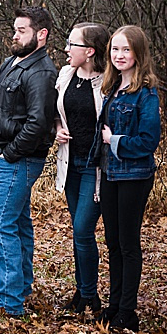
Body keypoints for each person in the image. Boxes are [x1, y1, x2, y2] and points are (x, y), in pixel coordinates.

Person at [0, 6, 58, 317]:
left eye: (22, 30)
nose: (14, 35)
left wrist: (7, 155)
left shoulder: (41, 72)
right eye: (14, 29)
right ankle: (21, 287)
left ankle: (8, 302)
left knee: (1, 225)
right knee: (19, 223)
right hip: (6, 157)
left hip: (18, 159)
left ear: (42, 35)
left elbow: (38, 123)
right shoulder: (12, 62)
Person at [88, 25, 161, 332]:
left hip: (134, 175)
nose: (119, 55)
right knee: (113, 243)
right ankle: (115, 304)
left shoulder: (146, 93)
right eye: (115, 49)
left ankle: (128, 312)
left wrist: (114, 140)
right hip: (110, 175)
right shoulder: (112, 88)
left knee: (128, 244)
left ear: (138, 53)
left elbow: (148, 141)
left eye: (126, 49)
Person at [54, 22, 110, 314]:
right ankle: (82, 292)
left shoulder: (108, 81)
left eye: (72, 44)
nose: (66, 48)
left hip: (94, 167)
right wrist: (57, 128)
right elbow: (56, 111)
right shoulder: (66, 76)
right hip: (70, 164)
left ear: (89, 51)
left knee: (82, 230)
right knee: (79, 233)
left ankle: (90, 295)